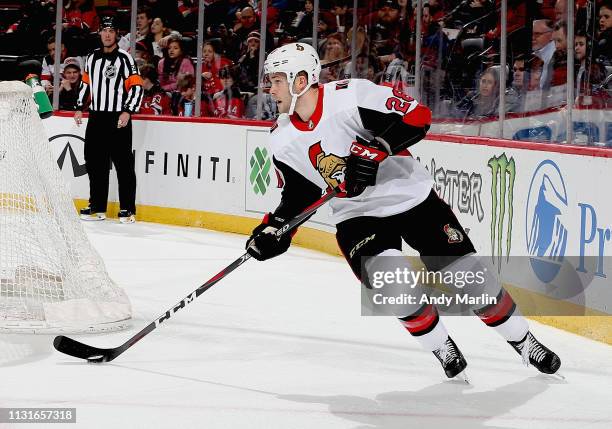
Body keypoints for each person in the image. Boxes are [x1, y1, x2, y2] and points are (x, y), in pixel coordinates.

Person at [245, 42, 561, 379]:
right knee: (393, 287)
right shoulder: (281, 138)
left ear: (300, 80)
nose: (270, 88)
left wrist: (378, 146)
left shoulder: (350, 96)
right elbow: (300, 193)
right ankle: (441, 345)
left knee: (471, 280)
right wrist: (274, 228)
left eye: (277, 80)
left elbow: (417, 117)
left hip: (409, 196)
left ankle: (524, 342)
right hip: (356, 215)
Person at [74, 16, 143, 224]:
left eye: (111, 31)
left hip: (117, 117)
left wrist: (127, 111)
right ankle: (97, 207)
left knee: (123, 164)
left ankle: (128, 210)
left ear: (116, 34)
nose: (107, 34)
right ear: (99, 33)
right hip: (96, 117)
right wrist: (79, 107)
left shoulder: (125, 58)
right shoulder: (92, 58)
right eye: (104, 30)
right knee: (95, 163)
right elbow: (86, 84)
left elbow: (137, 87)